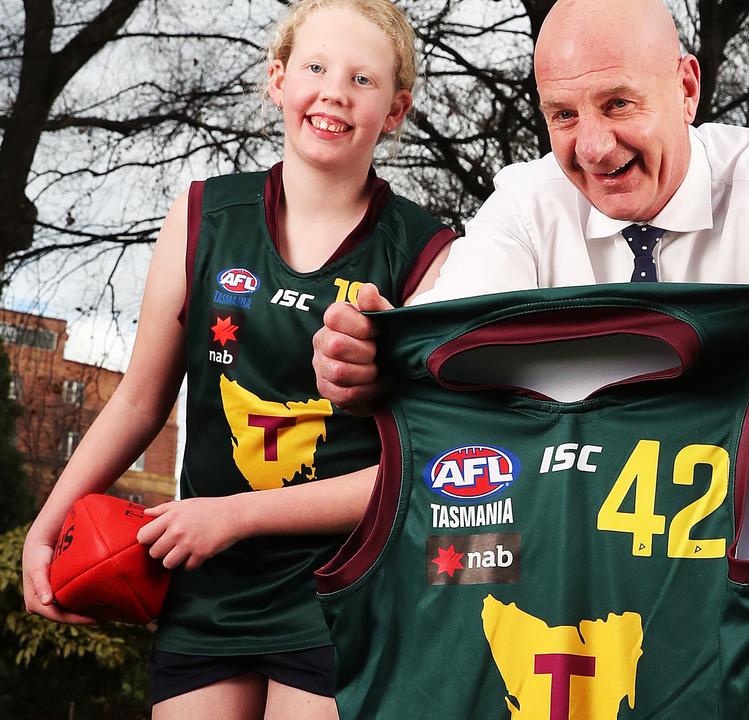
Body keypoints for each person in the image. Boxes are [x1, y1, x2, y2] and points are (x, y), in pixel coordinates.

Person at [311, 0, 749, 715]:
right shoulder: (526, 202)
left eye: (618, 103)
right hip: (573, 514)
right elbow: (444, 330)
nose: (592, 146)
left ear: (687, 86)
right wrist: (376, 358)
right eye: (562, 115)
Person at [21, 1, 453, 718]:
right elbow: (138, 401)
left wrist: (234, 515)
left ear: (397, 109)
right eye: (315, 67)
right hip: (207, 577)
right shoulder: (198, 215)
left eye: (363, 79)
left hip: (343, 582)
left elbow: (421, 465)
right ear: (278, 79)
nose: (335, 91)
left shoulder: (429, 253)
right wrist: (49, 523)